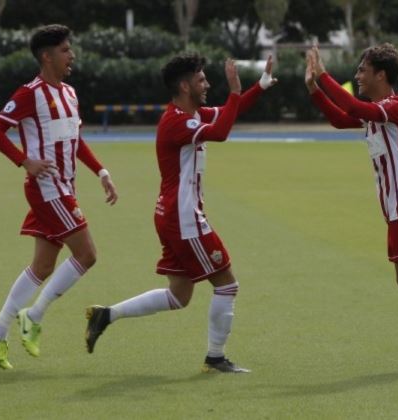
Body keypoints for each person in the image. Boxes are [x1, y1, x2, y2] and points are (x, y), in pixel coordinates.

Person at [84, 53, 277, 373]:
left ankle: (106, 315)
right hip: (183, 217)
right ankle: (215, 358)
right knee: (227, 285)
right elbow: (222, 131)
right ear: (185, 85)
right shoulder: (177, 121)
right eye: (201, 79)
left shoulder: (192, 113)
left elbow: (231, 112)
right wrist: (234, 88)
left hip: (171, 215)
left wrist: (260, 86)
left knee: (179, 295)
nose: (207, 84)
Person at [305, 44, 398, 374]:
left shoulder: (395, 107)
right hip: (397, 207)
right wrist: (313, 88)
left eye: (362, 70)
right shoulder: (376, 112)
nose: (357, 76)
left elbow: (349, 103)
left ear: (381, 74)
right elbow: (338, 117)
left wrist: (323, 75)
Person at [0, 24, 118, 370]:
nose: (71, 55)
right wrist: (24, 161)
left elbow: (76, 140)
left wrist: (101, 172)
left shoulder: (70, 93)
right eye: (65, 50)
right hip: (47, 189)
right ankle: (34, 315)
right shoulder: (30, 94)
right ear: (46, 56)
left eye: (70, 49)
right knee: (87, 254)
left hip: (65, 188)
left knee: (42, 265)